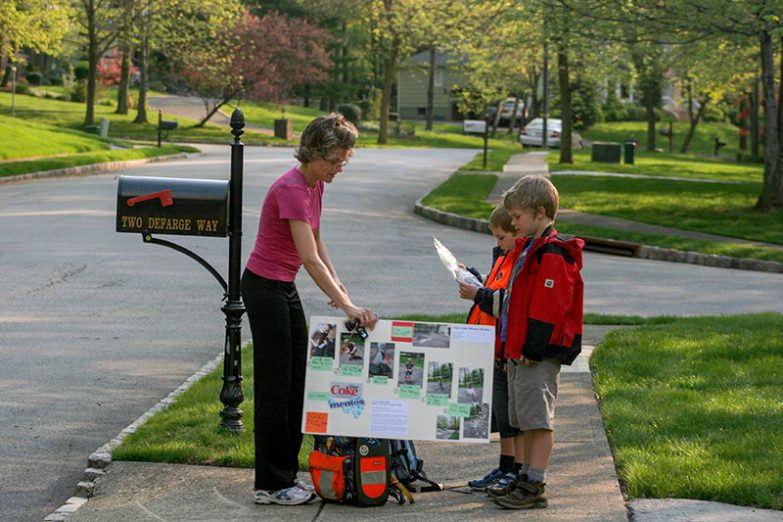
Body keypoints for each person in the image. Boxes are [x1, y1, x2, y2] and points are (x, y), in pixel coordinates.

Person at [241, 113, 378, 506]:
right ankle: (270, 483)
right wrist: (348, 306)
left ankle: (286, 475)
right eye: (335, 160)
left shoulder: (314, 185)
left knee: (298, 383)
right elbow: (308, 259)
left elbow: (319, 244)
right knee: (274, 387)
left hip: (283, 287)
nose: (339, 168)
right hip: (264, 288)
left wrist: (340, 288)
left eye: (344, 161)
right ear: (314, 152)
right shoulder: (291, 189)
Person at [488, 175, 584, 510]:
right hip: (518, 353)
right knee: (523, 419)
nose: (513, 223)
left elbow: (549, 307)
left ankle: (536, 484)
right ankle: (524, 474)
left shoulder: (553, 254)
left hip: (536, 355)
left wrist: (531, 347)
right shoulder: (529, 248)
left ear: (539, 212)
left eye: (516, 217)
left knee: (538, 420)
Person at [457, 203, 522, 491]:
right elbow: (492, 288)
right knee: (501, 415)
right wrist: (473, 278)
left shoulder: (516, 262)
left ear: (517, 233)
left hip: (505, 350)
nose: (498, 243)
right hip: (492, 349)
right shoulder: (503, 258)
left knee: (512, 417)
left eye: (501, 237)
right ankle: (505, 464)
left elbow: (505, 304)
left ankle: (516, 469)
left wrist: (477, 294)